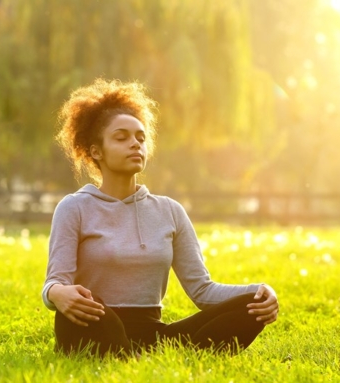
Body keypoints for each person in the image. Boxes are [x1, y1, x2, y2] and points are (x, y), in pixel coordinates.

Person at [42, 78, 278, 358]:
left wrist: (261, 291)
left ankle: (131, 355)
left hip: (153, 334)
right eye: (122, 138)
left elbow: (202, 290)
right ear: (96, 151)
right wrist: (58, 294)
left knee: (252, 305)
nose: (135, 144)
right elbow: (55, 282)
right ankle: (124, 354)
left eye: (140, 138)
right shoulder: (74, 207)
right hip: (94, 322)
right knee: (94, 316)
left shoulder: (169, 211)